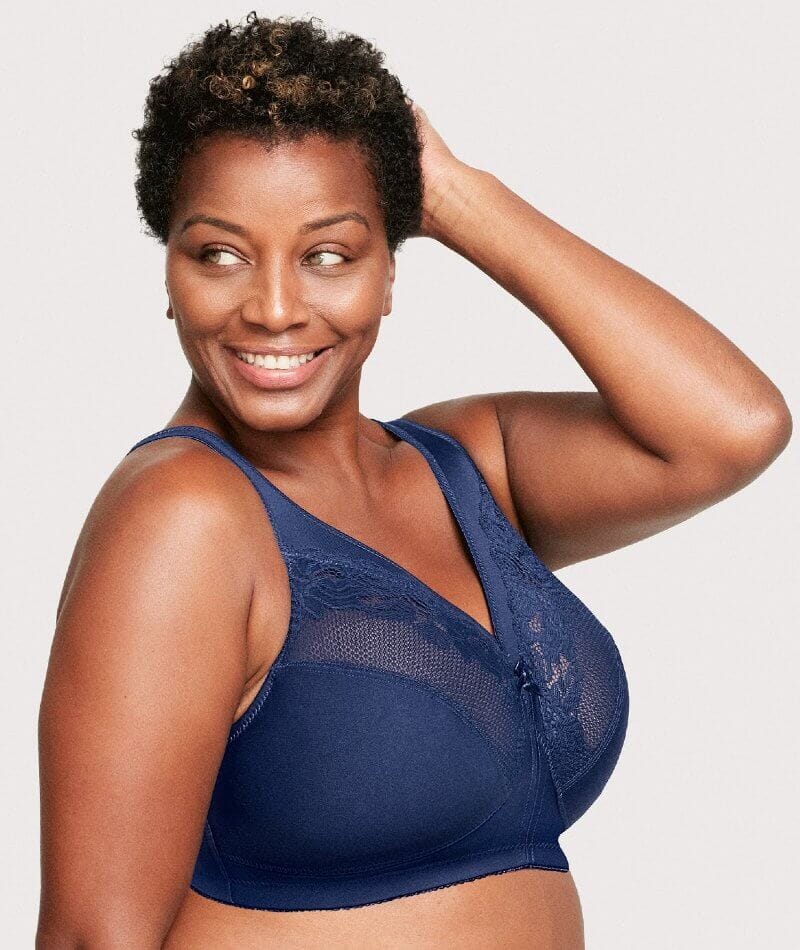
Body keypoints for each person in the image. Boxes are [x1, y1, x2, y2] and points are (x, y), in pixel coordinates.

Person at [36, 11, 791, 950]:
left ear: (390, 269)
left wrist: (460, 198)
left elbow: (732, 428)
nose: (274, 308)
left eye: (330, 254)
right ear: (169, 272)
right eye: (219, 253)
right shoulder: (183, 516)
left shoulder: (464, 468)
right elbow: (93, 937)